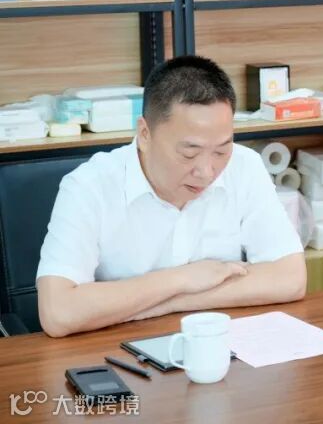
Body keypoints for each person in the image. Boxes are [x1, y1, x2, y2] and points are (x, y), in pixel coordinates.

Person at [36, 56, 306, 338]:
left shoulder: (244, 165)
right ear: (145, 134)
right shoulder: (89, 186)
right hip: (118, 348)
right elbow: (58, 313)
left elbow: (290, 278)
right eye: (189, 153)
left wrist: (171, 302)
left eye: (221, 151)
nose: (206, 172)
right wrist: (181, 279)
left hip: (217, 344)